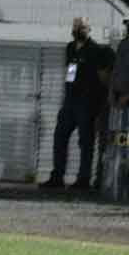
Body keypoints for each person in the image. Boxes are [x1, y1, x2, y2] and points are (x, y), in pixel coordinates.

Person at [40, 17, 115, 190]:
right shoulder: (71, 49)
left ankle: (83, 179)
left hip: (87, 102)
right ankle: (57, 175)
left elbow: (103, 77)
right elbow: (70, 72)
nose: (77, 30)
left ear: (88, 30)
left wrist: (101, 101)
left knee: (86, 141)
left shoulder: (95, 51)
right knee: (60, 136)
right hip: (70, 100)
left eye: (81, 28)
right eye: (75, 27)